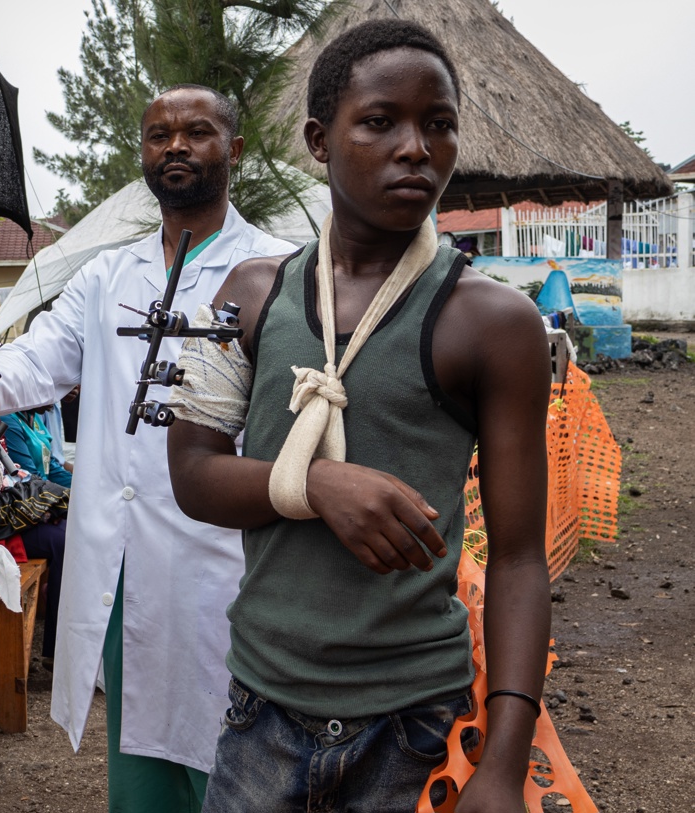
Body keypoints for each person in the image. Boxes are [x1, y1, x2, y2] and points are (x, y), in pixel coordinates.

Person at [166, 19, 551, 813]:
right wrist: (318, 486)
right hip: (261, 713)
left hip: (412, 726)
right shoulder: (247, 294)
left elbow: (518, 559)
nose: (417, 147)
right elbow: (193, 475)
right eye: (381, 122)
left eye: (438, 124)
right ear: (319, 139)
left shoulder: (494, 323)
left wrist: (504, 765)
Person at [0, 84, 296, 811]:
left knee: (234, 760)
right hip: (123, 564)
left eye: (196, 132)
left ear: (235, 151)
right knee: (142, 763)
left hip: (226, 565)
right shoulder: (105, 276)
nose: (175, 146)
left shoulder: (280, 272)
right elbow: (37, 359)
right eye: (159, 135)